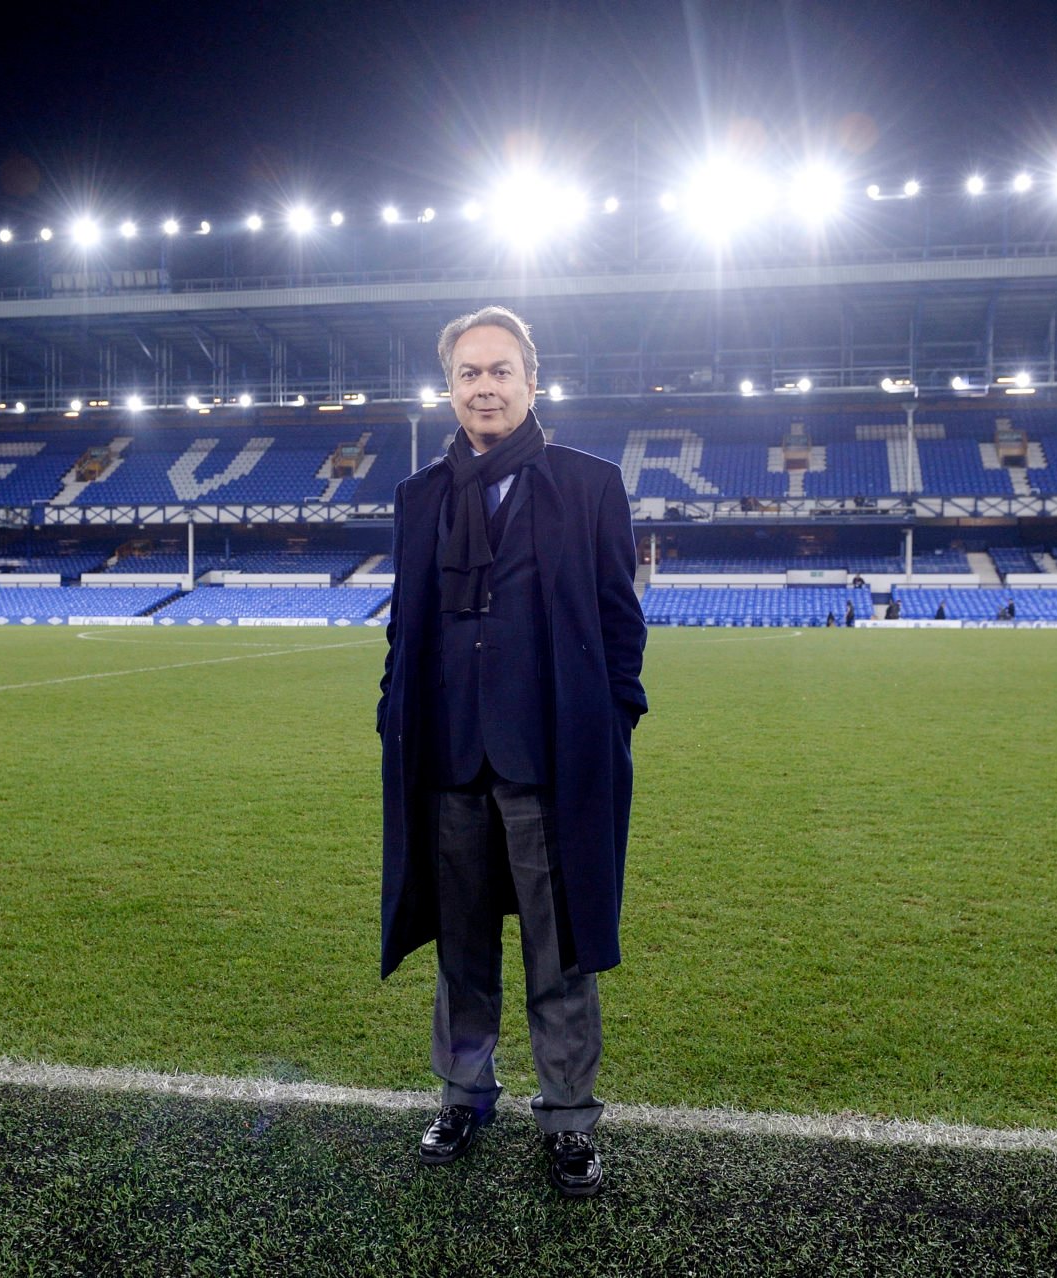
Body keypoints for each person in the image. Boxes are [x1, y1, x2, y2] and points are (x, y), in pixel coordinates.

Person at [376, 305, 647, 1199]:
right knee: (460, 949)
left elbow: (619, 623)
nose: (483, 387)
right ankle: (463, 1095)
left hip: (550, 762)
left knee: (557, 948)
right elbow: (404, 630)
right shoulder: (421, 496)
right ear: (449, 388)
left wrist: (613, 720)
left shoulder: (590, 484)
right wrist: (393, 718)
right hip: (450, 761)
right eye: (467, 374)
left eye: (499, 371)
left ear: (533, 381)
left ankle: (569, 1120)